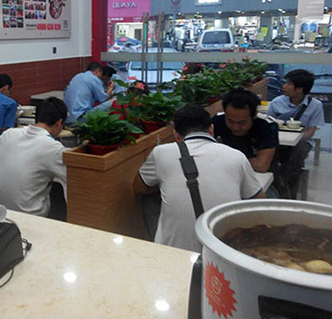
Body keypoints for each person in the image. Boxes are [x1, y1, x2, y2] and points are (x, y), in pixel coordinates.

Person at [134, 104, 265, 252]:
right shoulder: (237, 156)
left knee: (150, 199)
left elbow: (139, 187)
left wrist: (167, 183)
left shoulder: (161, 152)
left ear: (176, 135)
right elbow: (259, 201)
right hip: (225, 252)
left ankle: (156, 246)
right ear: (211, 129)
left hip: (175, 254)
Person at [0, 97, 68, 217]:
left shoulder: (10, 133)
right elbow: (73, 172)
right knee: (58, 187)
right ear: (60, 123)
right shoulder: (53, 148)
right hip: (30, 214)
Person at [268, 69, 325, 198]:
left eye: (288, 84)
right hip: (277, 141)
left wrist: (294, 140)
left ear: (299, 89)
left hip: (301, 142)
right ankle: (280, 189)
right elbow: (268, 125)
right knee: (272, 158)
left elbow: (310, 131)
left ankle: (287, 194)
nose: (284, 86)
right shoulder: (277, 102)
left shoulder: (315, 105)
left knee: (295, 156)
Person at [212, 89, 278, 173]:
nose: (235, 127)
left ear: (254, 116)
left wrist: (224, 159)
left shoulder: (267, 126)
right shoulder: (217, 121)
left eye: (242, 123)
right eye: (230, 121)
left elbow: (261, 166)